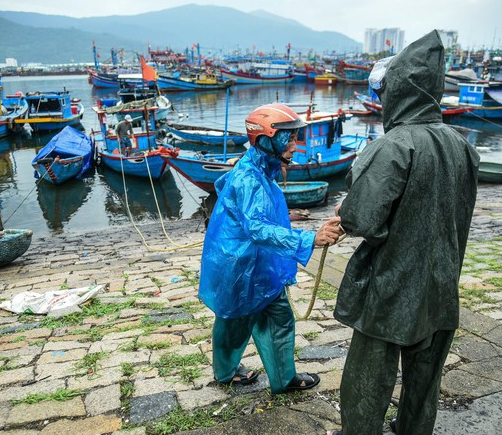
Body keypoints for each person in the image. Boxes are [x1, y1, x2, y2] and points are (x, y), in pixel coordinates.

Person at [328, 30, 480, 435]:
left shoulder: (394, 145)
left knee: (368, 377)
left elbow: (362, 218)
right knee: (425, 378)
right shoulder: (463, 146)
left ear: (397, 91)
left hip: (391, 287)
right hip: (441, 282)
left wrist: (347, 209)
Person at [199, 103, 344, 394]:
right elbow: (256, 228)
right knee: (233, 323)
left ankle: (281, 378)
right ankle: (228, 372)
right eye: (288, 138)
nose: (294, 145)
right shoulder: (249, 178)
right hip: (240, 267)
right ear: (266, 139)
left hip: (259, 264)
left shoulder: (259, 168)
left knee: (276, 318)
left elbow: (229, 192)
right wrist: (310, 239)